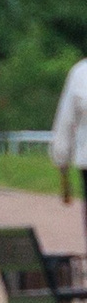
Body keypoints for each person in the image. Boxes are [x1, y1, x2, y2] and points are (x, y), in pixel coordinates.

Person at [56, 52, 87, 238]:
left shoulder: (81, 72)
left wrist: (61, 158)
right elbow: (66, 121)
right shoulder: (81, 72)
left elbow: (65, 120)